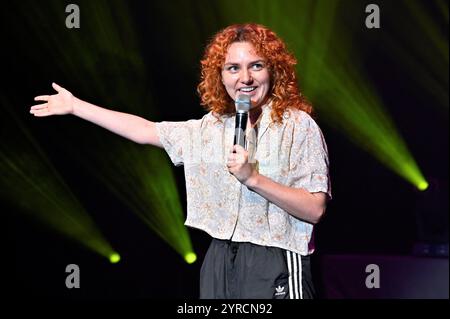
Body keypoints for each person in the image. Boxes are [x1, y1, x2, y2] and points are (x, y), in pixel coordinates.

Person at [30, 23, 331, 299]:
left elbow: (315, 208)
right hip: (219, 259)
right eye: (233, 68)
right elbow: (146, 130)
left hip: (275, 258)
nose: (245, 78)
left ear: (273, 70)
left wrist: (253, 178)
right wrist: (75, 106)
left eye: (256, 66)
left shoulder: (298, 126)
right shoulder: (210, 128)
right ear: (220, 76)